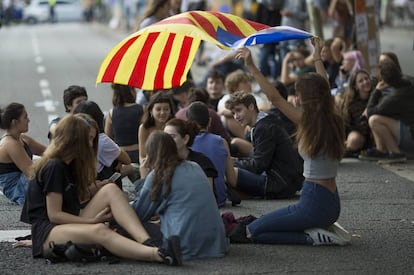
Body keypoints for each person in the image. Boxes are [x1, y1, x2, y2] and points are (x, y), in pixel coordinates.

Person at [228, 37, 351, 246]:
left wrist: (251, 66)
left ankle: (313, 237)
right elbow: (325, 87)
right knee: (252, 228)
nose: (295, 97)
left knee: (249, 231)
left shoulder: (308, 121)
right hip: (329, 202)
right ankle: (315, 233)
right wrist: (317, 59)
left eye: (297, 93)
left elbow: (275, 98)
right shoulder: (334, 116)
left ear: (304, 96)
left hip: (314, 202)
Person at [20, 114, 182, 265]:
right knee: (99, 229)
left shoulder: (69, 164)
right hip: (47, 231)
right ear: (74, 140)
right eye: (87, 139)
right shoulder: (54, 166)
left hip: (67, 221)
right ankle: (158, 254)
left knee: (110, 189)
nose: (91, 144)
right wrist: (91, 221)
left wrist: (95, 189)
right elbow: (54, 215)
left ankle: (147, 241)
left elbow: (75, 199)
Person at [132, 131, 229, 260]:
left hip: (182, 244)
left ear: (151, 154)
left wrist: (144, 176)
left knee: (127, 226)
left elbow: (139, 214)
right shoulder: (195, 166)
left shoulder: (158, 174)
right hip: (216, 244)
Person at [225, 92, 303, 199]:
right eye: (233, 113)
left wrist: (231, 163)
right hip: (288, 180)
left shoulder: (263, 128)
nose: (236, 116)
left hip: (280, 184)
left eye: (238, 110)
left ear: (251, 106)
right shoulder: (267, 120)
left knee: (229, 172)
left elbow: (258, 166)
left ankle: (242, 194)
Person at [358, 59, 414, 162]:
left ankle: (396, 153)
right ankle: (381, 151)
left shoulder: (394, 97)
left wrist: (377, 91)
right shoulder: (409, 81)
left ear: (385, 81)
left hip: (410, 135)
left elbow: (370, 111)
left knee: (374, 120)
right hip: (409, 126)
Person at [186, 102, 238, 207]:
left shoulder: (185, 143)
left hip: (196, 201)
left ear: (187, 123)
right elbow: (232, 180)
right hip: (220, 199)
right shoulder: (222, 142)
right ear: (209, 121)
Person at [73, 100, 132, 188]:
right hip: (95, 187)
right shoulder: (102, 141)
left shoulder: (73, 140)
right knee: (130, 168)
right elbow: (127, 160)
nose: (91, 144)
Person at [0, 103, 46, 205]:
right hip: (18, 191)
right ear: (14, 122)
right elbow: (32, 173)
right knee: (51, 167)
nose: (28, 120)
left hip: (26, 181)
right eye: (25, 117)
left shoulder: (22, 138)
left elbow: (47, 152)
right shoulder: (10, 144)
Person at [163, 118, 217, 192]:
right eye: (165, 137)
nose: (166, 141)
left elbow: (207, 195)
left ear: (185, 139)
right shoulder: (162, 161)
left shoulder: (202, 163)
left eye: (172, 137)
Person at [138, 92, 175, 178]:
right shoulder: (144, 128)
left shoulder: (174, 127)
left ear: (170, 111)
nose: (162, 113)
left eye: (166, 109)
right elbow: (142, 155)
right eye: (158, 109)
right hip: (151, 168)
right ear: (151, 111)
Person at [105, 84, 144, 164]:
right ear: (131, 91)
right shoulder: (141, 109)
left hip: (120, 155)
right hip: (138, 151)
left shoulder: (112, 112)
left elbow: (108, 137)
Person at [340, 69, 374, 157]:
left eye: (366, 78)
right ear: (355, 86)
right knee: (354, 140)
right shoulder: (350, 102)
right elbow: (345, 123)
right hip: (358, 133)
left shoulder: (376, 96)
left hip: (373, 133)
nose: (365, 82)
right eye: (361, 81)